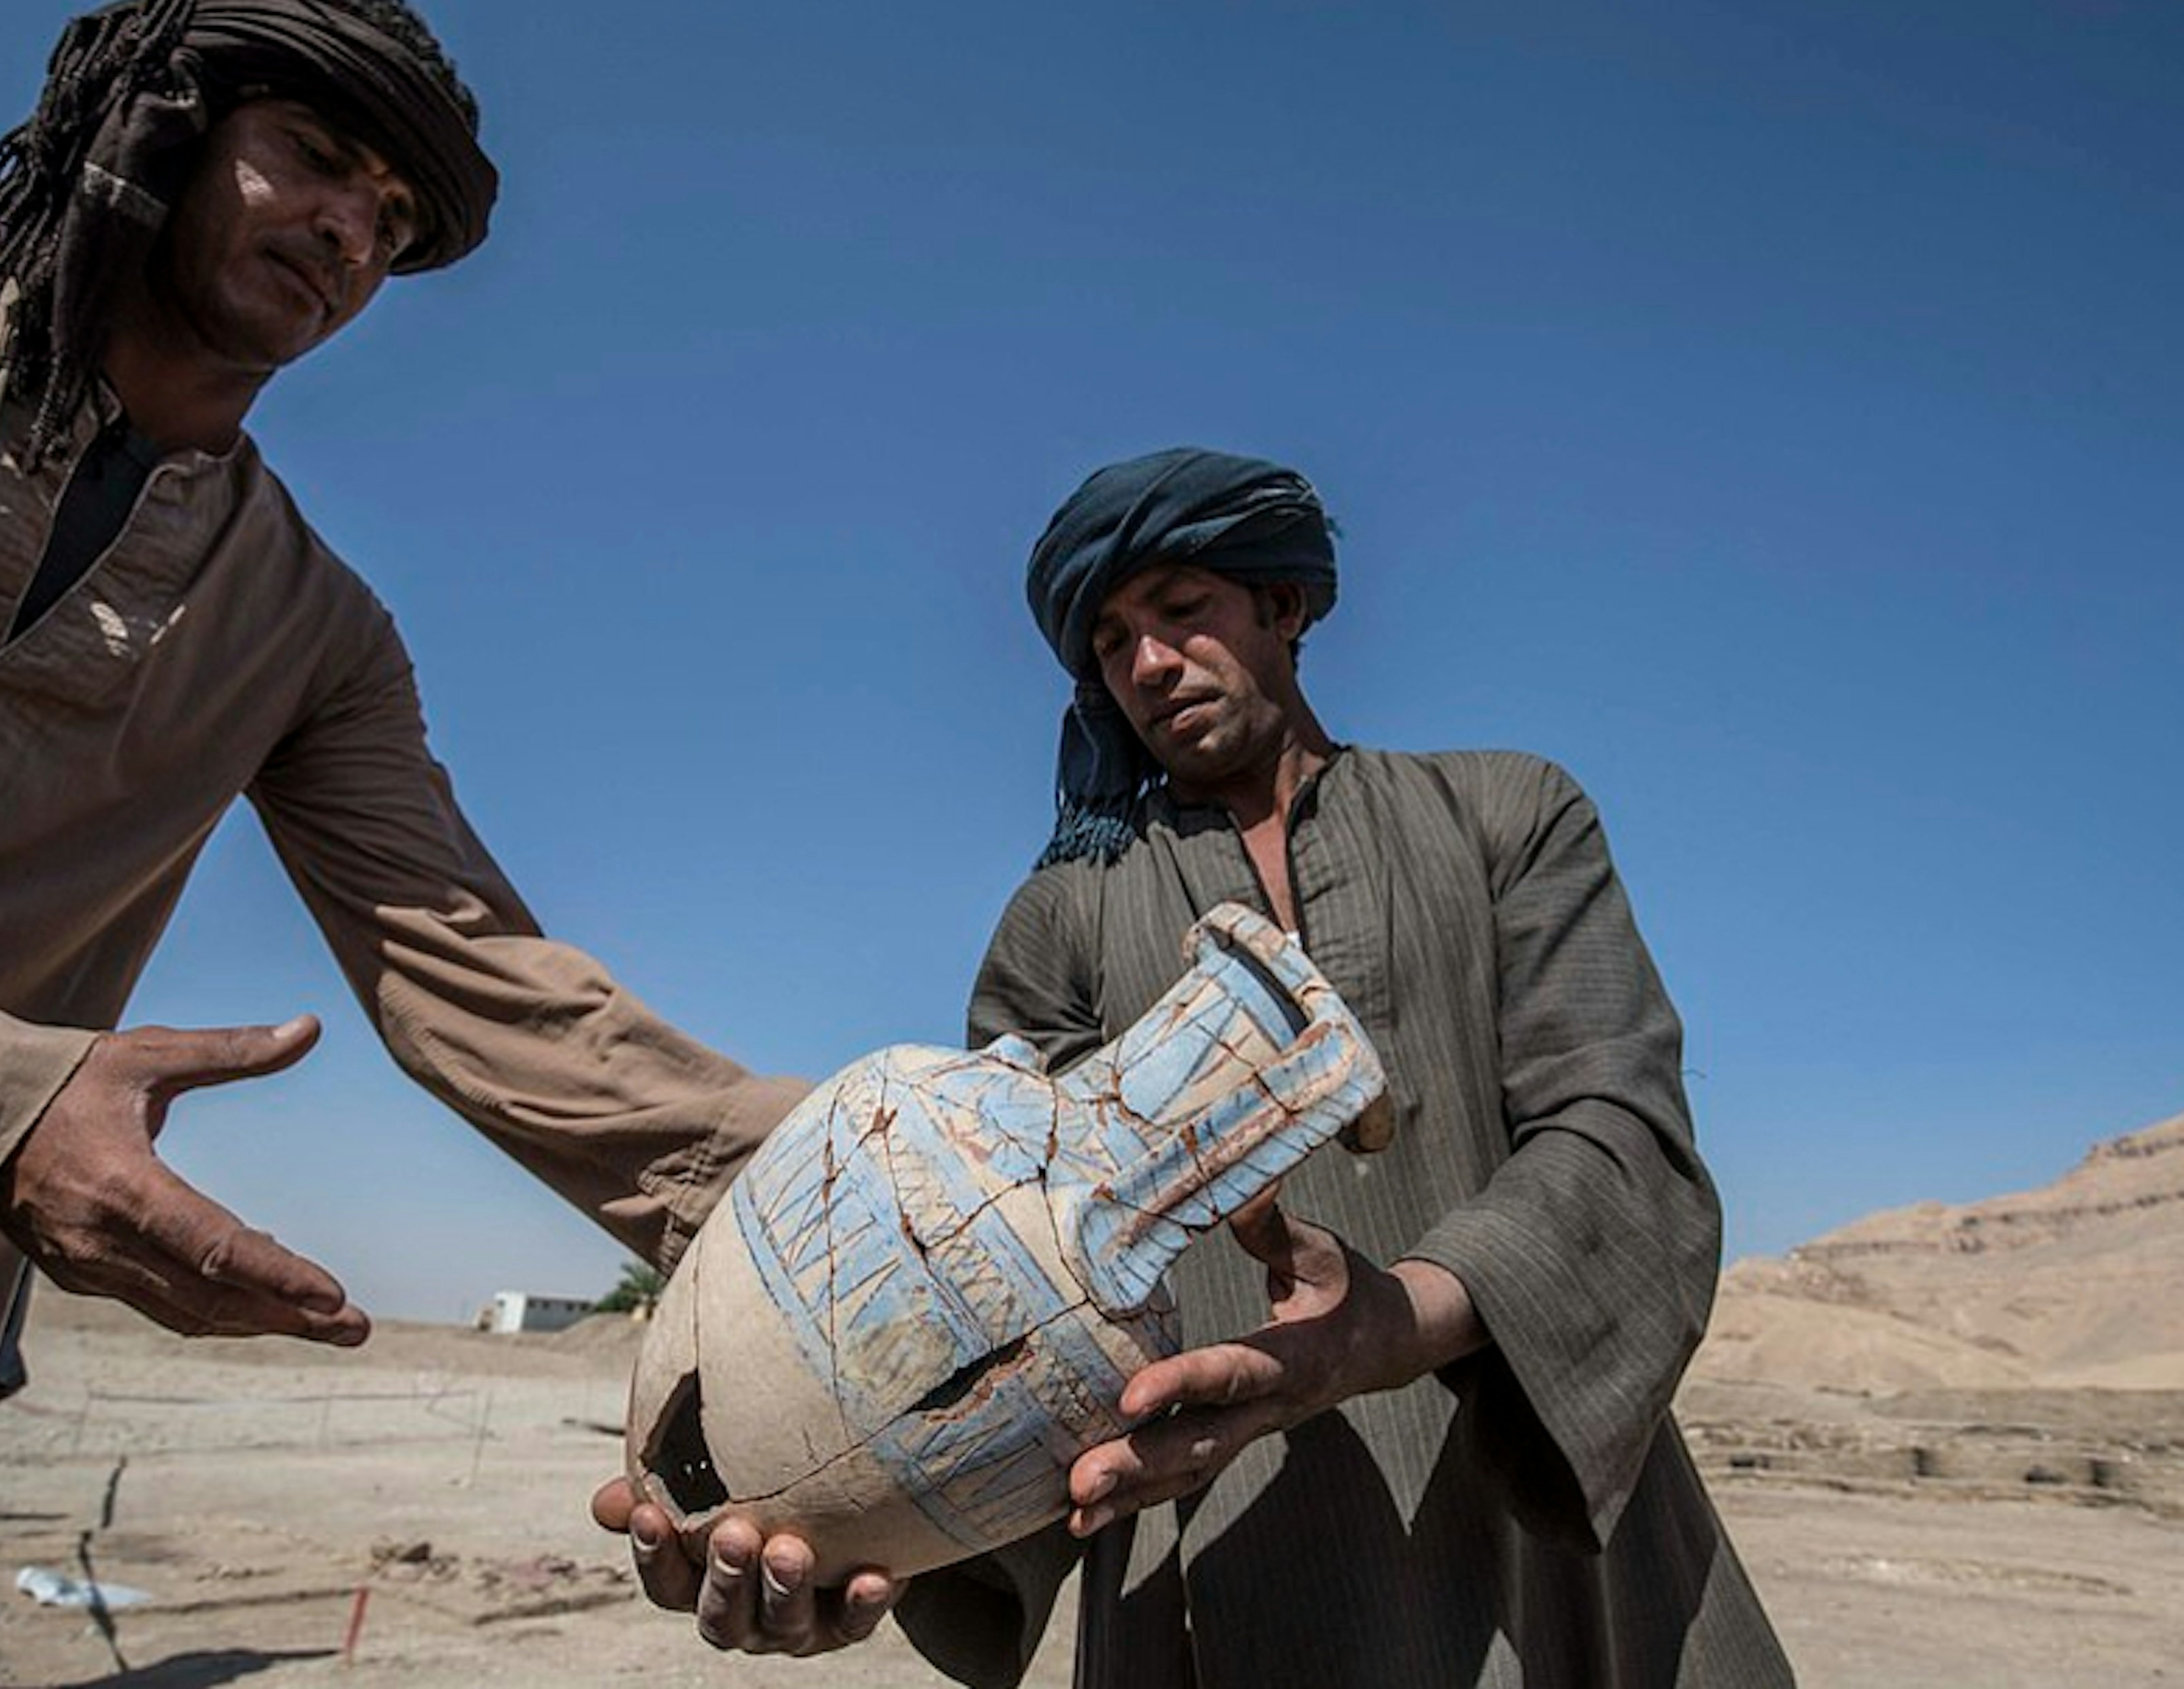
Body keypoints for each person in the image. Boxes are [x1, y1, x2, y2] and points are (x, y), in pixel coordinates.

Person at [0, 0, 809, 1684]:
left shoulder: (307, 627)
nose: (349, 234)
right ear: (160, 113)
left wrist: (860, 1181)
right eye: (310, 154)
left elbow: (483, 980)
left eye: (390, 216)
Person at [610, 447, 1794, 1684]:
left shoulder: (1506, 814)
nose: (1149, 664)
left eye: (1184, 612)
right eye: (1113, 641)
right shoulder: (1066, 912)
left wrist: (1393, 1324)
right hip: (1214, 1541)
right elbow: (987, 1286)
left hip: (1529, 1518)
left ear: (1283, 607)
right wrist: (862, 1533)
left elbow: (1615, 1134)